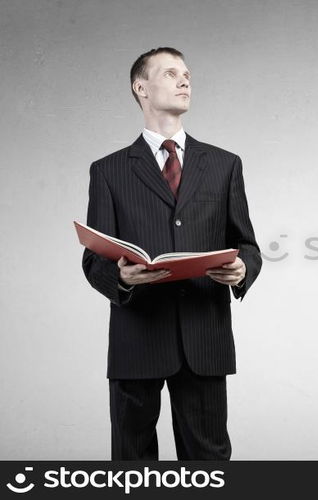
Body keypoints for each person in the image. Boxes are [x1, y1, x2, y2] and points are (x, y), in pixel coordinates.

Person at [81, 47, 262, 460]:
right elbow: (94, 260)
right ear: (140, 87)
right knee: (132, 461)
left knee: (208, 462)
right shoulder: (107, 171)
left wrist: (242, 269)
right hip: (137, 339)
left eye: (187, 74)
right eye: (171, 73)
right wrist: (121, 278)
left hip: (205, 337)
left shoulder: (224, 164)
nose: (185, 81)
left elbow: (247, 244)